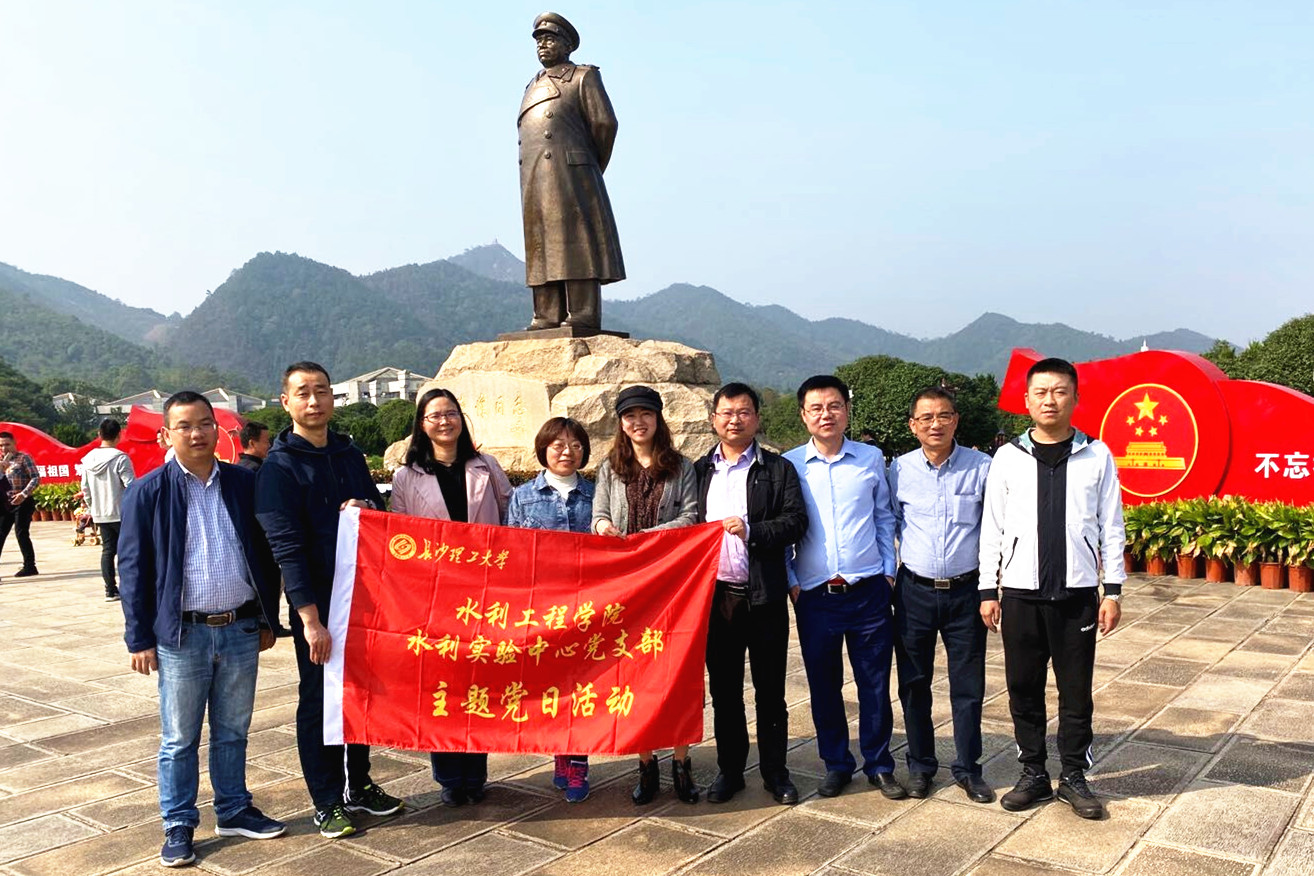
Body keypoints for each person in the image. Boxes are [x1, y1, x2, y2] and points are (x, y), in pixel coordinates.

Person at [118, 391, 286, 868]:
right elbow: (132, 568)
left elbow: (264, 554)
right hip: (182, 635)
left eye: (205, 424)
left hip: (239, 627)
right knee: (179, 738)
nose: (196, 434)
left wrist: (266, 618)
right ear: (166, 434)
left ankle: (233, 809)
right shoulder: (149, 491)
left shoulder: (242, 483)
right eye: (185, 426)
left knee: (233, 730)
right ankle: (178, 823)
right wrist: (139, 638)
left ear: (219, 429)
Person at [254, 362, 404, 839]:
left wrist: (366, 507)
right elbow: (286, 548)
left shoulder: (348, 454)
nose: (314, 401)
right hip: (318, 603)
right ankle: (325, 800)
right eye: (303, 393)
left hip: (363, 597)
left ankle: (359, 784)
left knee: (360, 692)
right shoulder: (279, 468)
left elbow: (378, 510)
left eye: (321, 391)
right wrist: (309, 620)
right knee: (319, 698)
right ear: (286, 402)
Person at [979, 357, 1126, 820]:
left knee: (1076, 692)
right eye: (1041, 392)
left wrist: (1113, 590)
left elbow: (1111, 526)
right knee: (1023, 688)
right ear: (1026, 401)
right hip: (1020, 594)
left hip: (1076, 596)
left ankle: (1074, 776)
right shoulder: (1008, 457)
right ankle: (1033, 773)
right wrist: (988, 589)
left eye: (1060, 391)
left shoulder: (1096, 455)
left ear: (1075, 398)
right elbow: (992, 527)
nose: (1050, 400)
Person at [784, 375, 906, 800]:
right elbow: (785, 528)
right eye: (816, 408)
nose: (826, 414)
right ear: (803, 415)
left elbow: (884, 517)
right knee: (824, 685)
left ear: (847, 411)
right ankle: (836, 763)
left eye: (834, 406)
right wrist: (793, 582)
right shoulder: (790, 465)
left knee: (875, 683)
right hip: (815, 595)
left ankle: (879, 764)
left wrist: (889, 572)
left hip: (868, 590)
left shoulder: (871, 458)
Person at [391, 388, 512, 807]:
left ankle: (475, 774)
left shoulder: (486, 466)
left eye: (451, 413)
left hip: (484, 592)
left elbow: (511, 521)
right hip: (434, 595)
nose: (444, 421)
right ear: (422, 425)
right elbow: (399, 537)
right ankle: (448, 776)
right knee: (441, 686)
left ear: (461, 418)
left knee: (477, 682)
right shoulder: (407, 477)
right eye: (434, 416)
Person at [694, 382, 808, 806]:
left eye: (744, 412)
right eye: (726, 412)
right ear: (713, 419)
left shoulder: (777, 469)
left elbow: (796, 522)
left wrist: (752, 530)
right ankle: (730, 771)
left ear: (757, 418)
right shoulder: (698, 471)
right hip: (716, 598)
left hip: (764, 596)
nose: (735, 420)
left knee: (770, 691)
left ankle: (776, 772)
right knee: (724, 692)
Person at [592, 385, 700, 804]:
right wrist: (604, 528)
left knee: (677, 674)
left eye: (646, 414)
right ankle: (646, 764)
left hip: (672, 584)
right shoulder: (610, 468)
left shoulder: (681, 466)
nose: (638, 422)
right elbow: (599, 514)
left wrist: (644, 539)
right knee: (634, 675)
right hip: (627, 588)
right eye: (630, 416)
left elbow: (690, 516)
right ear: (621, 423)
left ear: (658, 419)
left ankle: (681, 764)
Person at [887, 388, 993, 803]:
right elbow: (890, 523)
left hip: (966, 593)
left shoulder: (982, 467)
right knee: (914, 683)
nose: (935, 424)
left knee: (968, 686)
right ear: (913, 425)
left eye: (944, 416)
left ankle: (968, 768)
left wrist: (991, 587)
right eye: (926, 418)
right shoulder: (899, 469)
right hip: (913, 591)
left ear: (956, 420)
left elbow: (994, 529)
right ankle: (920, 766)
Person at [506, 417, 595, 803]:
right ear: (543, 449)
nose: (566, 452)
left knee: (582, 686)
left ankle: (577, 765)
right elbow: (512, 552)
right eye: (557, 445)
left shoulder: (595, 495)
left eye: (575, 445)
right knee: (551, 687)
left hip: (588, 605)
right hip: (542, 608)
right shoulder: (523, 496)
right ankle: (561, 753)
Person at [519, 11, 625, 331]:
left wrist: (587, 166)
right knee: (541, 241)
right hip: (535, 177)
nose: (543, 45)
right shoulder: (532, 84)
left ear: (567, 45)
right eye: (539, 40)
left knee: (575, 240)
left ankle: (582, 312)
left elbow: (605, 125)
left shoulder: (582, 77)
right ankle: (546, 312)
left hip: (572, 173)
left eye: (550, 39)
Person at [81, 418, 136, 601]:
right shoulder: (120, 458)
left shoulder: (88, 460)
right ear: (119, 435)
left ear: (99, 434)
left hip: (100, 514)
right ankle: (130, 587)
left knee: (107, 551)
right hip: (121, 513)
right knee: (128, 552)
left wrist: (92, 508)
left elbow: (85, 488)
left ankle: (110, 590)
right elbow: (131, 486)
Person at [0, 431, 40, 577]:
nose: (4, 448)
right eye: (1, 445)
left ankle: (30, 566)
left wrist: (23, 494)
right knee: (1, 533)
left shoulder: (23, 458)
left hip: (23, 501)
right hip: (5, 503)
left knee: (21, 532)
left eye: (7, 444)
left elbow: (35, 478)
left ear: (14, 443)